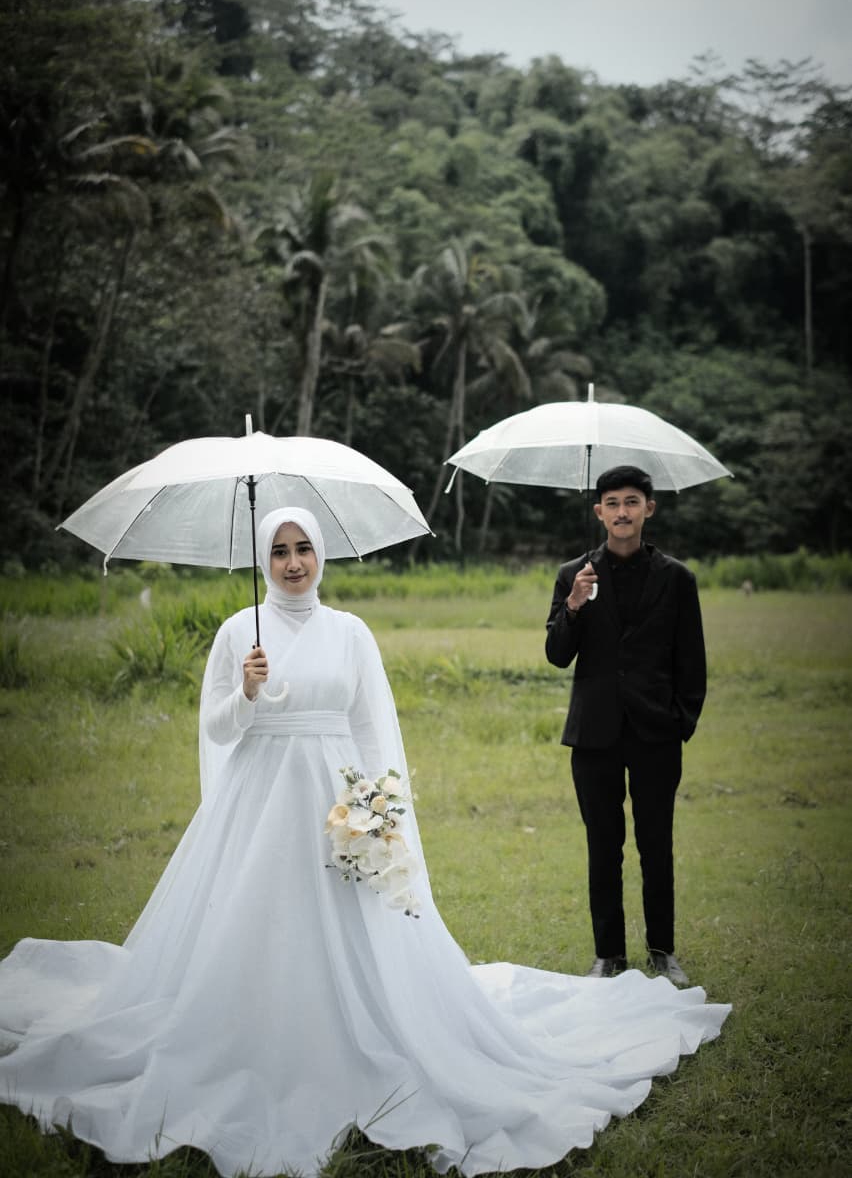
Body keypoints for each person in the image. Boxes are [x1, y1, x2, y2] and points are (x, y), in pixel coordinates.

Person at [0, 506, 728, 1178]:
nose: (293, 562)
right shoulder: (237, 631)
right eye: (279, 551)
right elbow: (216, 730)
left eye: (303, 548)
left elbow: (372, 727)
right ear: (263, 560)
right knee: (260, 921)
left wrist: (382, 812)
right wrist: (245, 692)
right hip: (259, 802)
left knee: (352, 925)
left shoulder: (349, 632)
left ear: (321, 553)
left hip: (339, 798)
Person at [546, 465, 707, 983]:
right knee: (603, 844)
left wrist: (681, 720)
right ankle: (608, 954)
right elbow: (557, 654)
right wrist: (574, 605)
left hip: (657, 731)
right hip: (594, 732)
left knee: (656, 842)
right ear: (599, 512)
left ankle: (663, 950)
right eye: (612, 503)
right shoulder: (575, 574)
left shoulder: (677, 578)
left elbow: (692, 660)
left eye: (632, 502)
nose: (622, 512)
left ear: (648, 509)